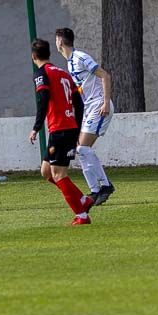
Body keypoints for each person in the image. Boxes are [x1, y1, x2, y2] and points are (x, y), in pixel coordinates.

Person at [28, 39, 95, 226]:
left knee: (59, 175)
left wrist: (36, 127)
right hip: (69, 127)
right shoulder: (64, 73)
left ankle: (81, 215)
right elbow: (79, 103)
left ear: (34, 56)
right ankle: (82, 200)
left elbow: (42, 99)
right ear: (48, 53)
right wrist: (78, 126)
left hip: (60, 129)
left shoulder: (41, 74)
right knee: (46, 171)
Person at [54, 27, 115, 205]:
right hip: (90, 108)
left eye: (56, 39)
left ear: (60, 41)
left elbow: (104, 75)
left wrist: (105, 102)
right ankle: (95, 190)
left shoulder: (80, 58)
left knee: (82, 149)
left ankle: (105, 185)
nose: (55, 42)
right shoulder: (70, 62)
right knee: (80, 149)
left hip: (99, 105)